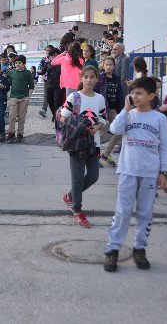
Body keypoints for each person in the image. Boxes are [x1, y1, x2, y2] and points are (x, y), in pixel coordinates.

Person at [104, 77, 167, 272]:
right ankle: (112, 249)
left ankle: (140, 248)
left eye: (139, 93)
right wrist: (124, 110)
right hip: (127, 170)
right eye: (132, 92)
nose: (134, 96)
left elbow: (165, 146)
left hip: (150, 172)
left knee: (145, 213)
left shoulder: (160, 118)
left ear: (152, 95)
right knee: (122, 211)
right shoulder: (128, 115)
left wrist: (164, 171)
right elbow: (114, 129)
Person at [60, 65, 108, 228]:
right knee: (78, 178)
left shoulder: (100, 98)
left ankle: (70, 196)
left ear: (97, 79)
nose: (89, 80)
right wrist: (81, 126)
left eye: (92, 77)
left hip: (94, 143)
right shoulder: (74, 97)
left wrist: (98, 127)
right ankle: (77, 211)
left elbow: (103, 118)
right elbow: (63, 118)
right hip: (77, 143)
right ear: (81, 78)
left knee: (93, 176)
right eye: (85, 76)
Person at [95, 56, 123, 168]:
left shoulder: (116, 78)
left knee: (119, 131)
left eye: (110, 65)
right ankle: (94, 158)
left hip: (113, 110)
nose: (108, 67)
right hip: (102, 110)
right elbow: (96, 92)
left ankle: (106, 154)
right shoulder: (100, 78)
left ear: (114, 66)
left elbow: (119, 95)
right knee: (100, 135)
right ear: (103, 65)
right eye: (106, 64)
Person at [6, 55, 34, 142]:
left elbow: (31, 86)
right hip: (13, 97)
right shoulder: (11, 72)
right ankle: (11, 133)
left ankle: (20, 134)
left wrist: (28, 97)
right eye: (16, 63)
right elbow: (7, 81)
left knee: (21, 117)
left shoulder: (28, 73)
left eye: (19, 63)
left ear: (24, 64)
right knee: (12, 116)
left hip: (24, 98)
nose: (17, 64)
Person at [41, 48, 62, 122]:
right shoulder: (48, 63)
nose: (54, 56)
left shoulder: (62, 63)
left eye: (56, 55)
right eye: (52, 55)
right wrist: (40, 72)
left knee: (57, 102)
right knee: (50, 101)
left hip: (59, 85)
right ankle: (54, 114)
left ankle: (57, 117)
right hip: (49, 85)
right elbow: (42, 71)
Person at [37, 45, 55, 117]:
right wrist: (38, 75)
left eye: (49, 50)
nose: (47, 52)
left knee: (55, 95)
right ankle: (44, 109)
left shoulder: (55, 58)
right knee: (46, 94)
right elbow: (40, 68)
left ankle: (56, 111)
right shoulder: (44, 59)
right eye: (46, 50)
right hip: (46, 80)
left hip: (56, 80)